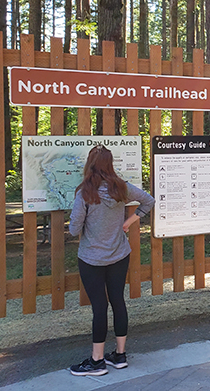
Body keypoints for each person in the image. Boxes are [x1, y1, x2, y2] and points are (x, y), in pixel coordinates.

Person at [68, 145, 155, 376]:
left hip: (91, 258)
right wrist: (129, 222)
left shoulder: (84, 193)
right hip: (119, 255)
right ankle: (120, 355)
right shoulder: (121, 187)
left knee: (99, 306)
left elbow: (74, 227)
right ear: (110, 164)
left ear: (90, 165)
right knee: (118, 301)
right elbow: (148, 200)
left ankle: (96, 361)